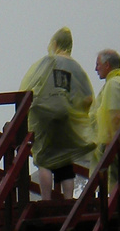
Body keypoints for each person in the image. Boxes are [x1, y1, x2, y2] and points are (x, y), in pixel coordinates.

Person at [19, 27, 95, 199]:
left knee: (44, 160)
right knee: (65, 161)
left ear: (54, 43)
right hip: (65, 116)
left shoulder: (46, 62)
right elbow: (88, 97)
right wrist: (75, 110)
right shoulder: (75, 67)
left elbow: (27, 88)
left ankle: (46, 199)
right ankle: (68, 200)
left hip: (43, 115)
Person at [90, 49, 120, 190]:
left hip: (117, 139)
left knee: (114, 178)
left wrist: (111, 141)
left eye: (98, 64)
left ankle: (115, 206)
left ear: (107, 65)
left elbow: (114, 114)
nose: (95, 69)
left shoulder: (114, 84)